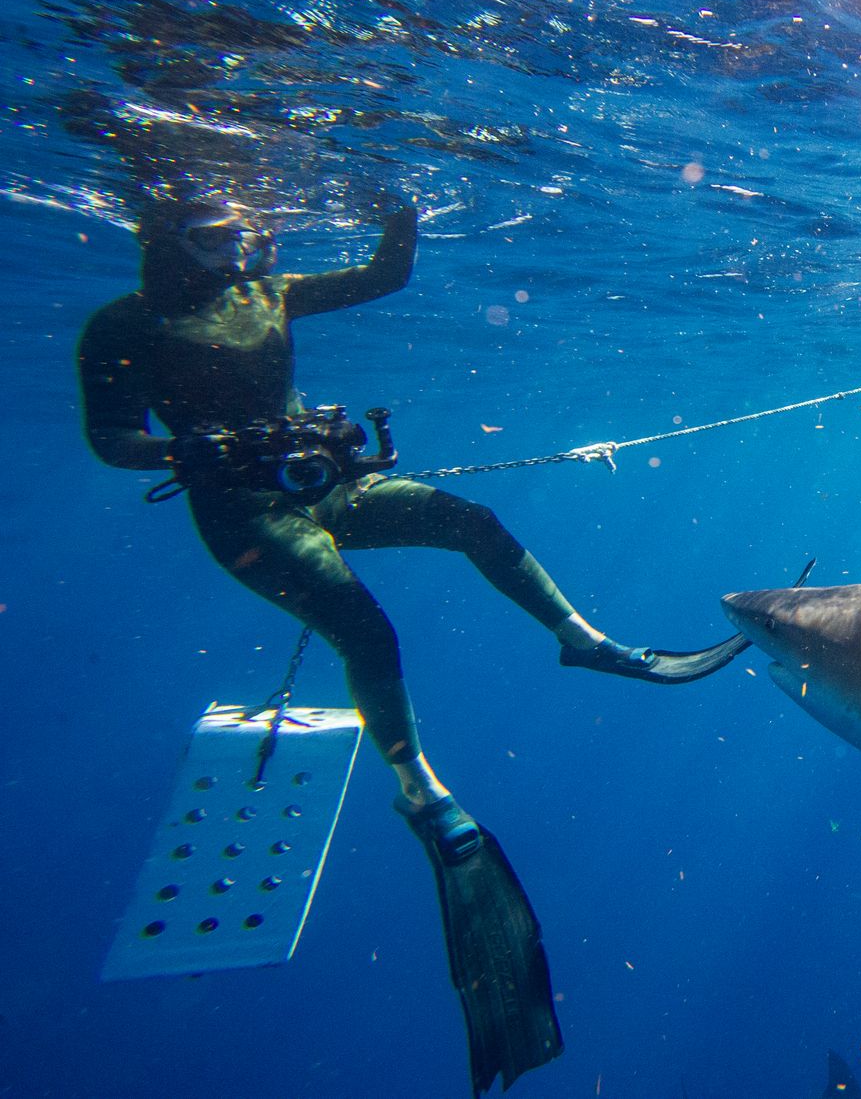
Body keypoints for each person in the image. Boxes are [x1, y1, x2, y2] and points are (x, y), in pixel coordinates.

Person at [76, 189, 741, 1093]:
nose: (238, 249)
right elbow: (111, 439)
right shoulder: (124, 323)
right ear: (169, 241)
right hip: (243, 511)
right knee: (363, 624)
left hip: (324, 485)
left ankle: (582, 638)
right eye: (213, 236)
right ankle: (417, 788)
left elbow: (388, 273)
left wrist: (399, 201)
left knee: (469, 518)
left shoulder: (266, 294)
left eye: (245, 230)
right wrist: (201, 449)